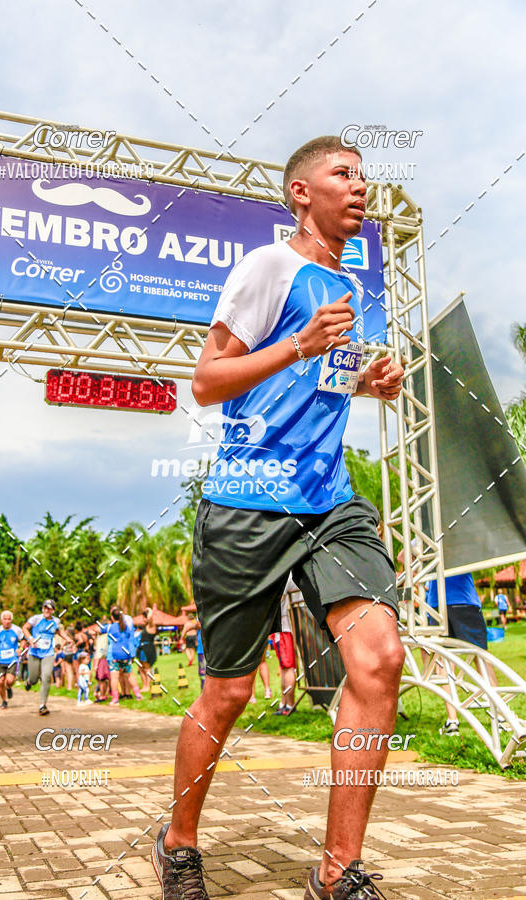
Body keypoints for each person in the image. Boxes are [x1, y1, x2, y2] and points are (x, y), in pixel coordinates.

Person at [152, 135, 405, 900]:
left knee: (379, 659)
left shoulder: (348, 285)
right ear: (301, 192)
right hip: (248, 502)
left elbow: (317, 383)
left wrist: (366, 383)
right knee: (229, 693)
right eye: (342, 174)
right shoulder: (269, 267)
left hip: (330, 502)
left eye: (363, 175)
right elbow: (207, 382)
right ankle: (178, 843)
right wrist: (298, 343)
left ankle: (337, 871)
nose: (359, 186)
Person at [425, 572, 494, 736]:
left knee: (445, 660)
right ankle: (498, 716)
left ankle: (452, 721)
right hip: (462, 601)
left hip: (438, 604)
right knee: (480, 657)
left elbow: (404, 560)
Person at [22, 599, 71, 716]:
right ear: (42, 608)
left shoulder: (56, 621)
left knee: (46, 677)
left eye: (50, 608)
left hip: (48, 653)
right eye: (45, 608)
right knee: (34, 679)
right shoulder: (36, 619)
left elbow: (58, 631)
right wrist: (30, 639)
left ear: (53, 610)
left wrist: (67, 638)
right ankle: (29, 681)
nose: (47, 610)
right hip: (34, 652)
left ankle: (42, 705)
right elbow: (24, 628)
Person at [97, 606, 142, 703]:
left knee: (114, 678)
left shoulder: (110, 627)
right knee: (130, 675)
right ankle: (138, 695)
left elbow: (99, 630)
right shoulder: (126, 627)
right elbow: (130, 639)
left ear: (112, 617)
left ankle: (115, 699)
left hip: (114, 655)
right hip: (125, 654)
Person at [271, 577, 298, 716]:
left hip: (283, 629)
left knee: (287, 668)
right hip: (282, 629)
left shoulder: (283, 576)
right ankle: (286, 704)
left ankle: (288, 704)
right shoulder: (285, 576)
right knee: (286, 668)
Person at [0, 610, 25, 709]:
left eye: (9, 619)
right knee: (0, 682)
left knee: (9, 680)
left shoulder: (16, 629)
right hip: (0, 660)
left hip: (12, 659)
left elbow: (23, 640)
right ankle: (4, 701)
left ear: (11, 620)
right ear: (1, 620)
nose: (7, 621)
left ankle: (8, 687)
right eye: (5, 619)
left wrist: (20, 649)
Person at [137, 605, 158, 692]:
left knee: (147, 667)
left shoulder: (151, 626)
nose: (143, 620)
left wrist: (149, 610)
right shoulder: (146, 627)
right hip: (142, 648)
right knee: (140, 668)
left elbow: (150, 618)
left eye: (143, 618)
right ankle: (144, 685)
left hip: (147, 649)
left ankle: (148, 686)